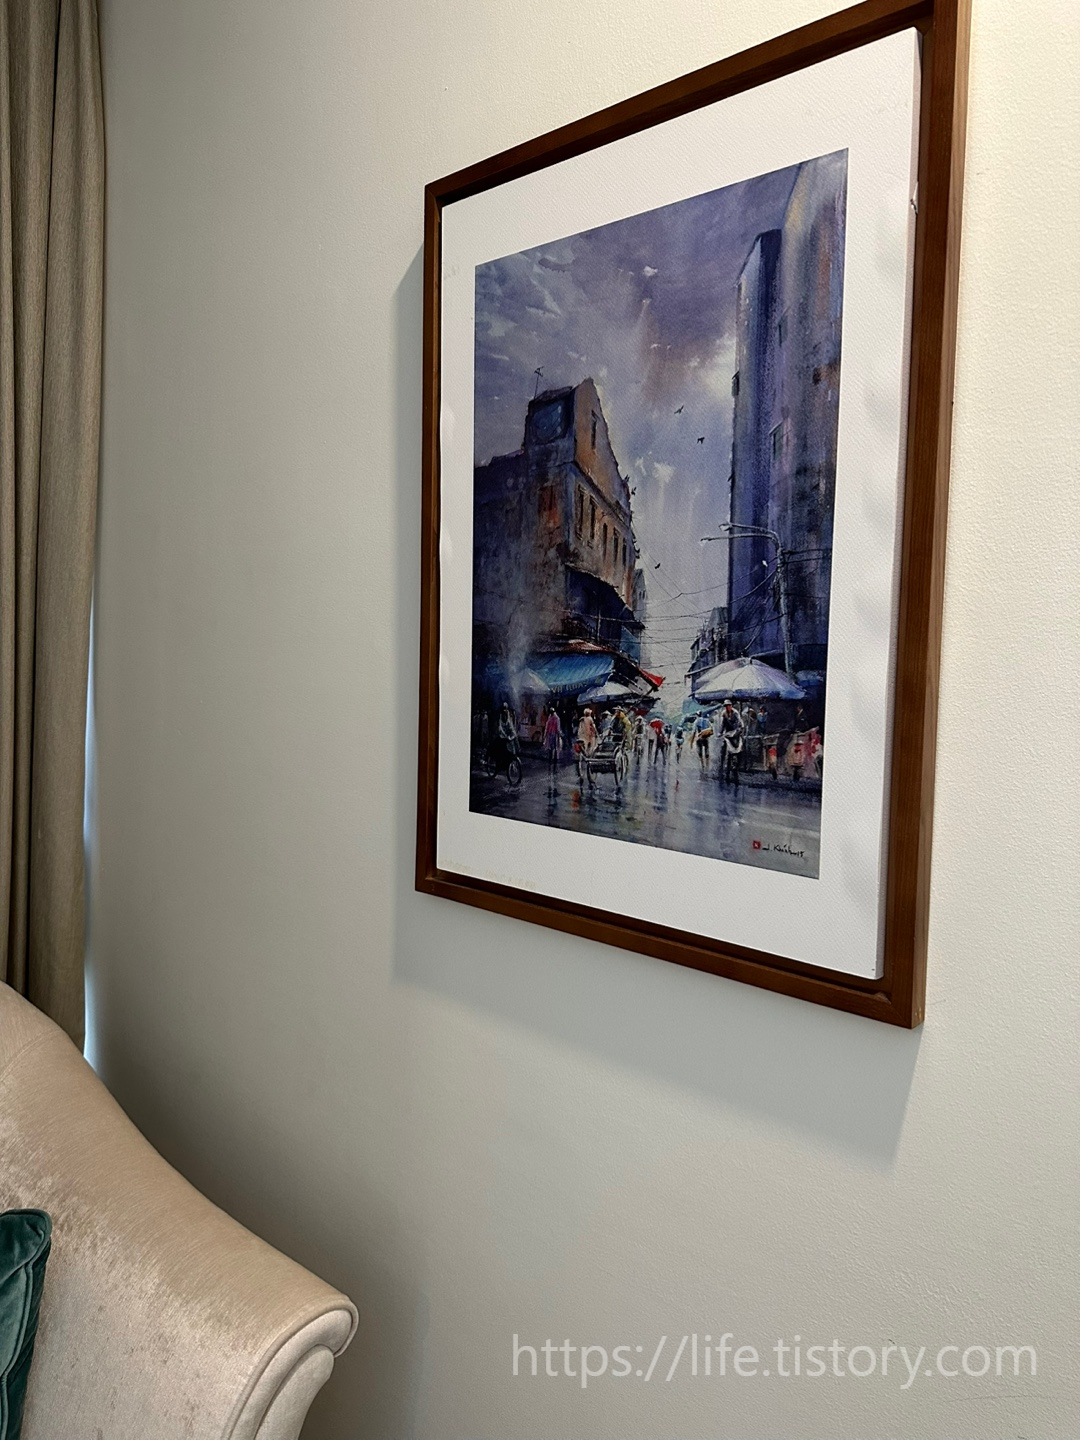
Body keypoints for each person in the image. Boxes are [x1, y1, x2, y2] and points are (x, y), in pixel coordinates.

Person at [718, 699, 746, 785]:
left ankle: (736, 769)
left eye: (729, 706)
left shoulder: (735, 713)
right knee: (725, 750)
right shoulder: (724, 713)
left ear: (731, 706)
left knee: (738, 750)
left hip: (736, 733)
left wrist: (736, 732)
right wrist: (720, 732)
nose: (728, 707)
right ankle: (725, 771)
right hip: (728, 734)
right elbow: (723, 724)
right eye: (726, 706)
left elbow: (739, 724)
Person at [542, 705, 563, 772]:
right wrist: (559, 735)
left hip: (551, 734)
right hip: (554, 734)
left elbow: (547, 727)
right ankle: (554, 761)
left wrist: (545, 735)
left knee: (551, 748)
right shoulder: (556, 718)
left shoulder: (551, 718)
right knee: (555, 748)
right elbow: (557, 728)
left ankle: (551, 760)